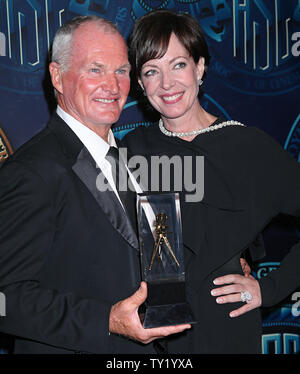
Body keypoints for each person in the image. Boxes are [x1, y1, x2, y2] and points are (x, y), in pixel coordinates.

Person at [0, 15, 192, 354]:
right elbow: (5, 297)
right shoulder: (32, 170)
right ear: (58, 76)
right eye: (95, 70)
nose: (113, 85)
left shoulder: (133, 158)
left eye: (121, 71)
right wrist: (106, 319)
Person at [122, 9, 300, 353]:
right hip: (150, 339)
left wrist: (271, 288)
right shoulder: (133, 149)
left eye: (178, 65)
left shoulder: (249, 147)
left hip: (226, 330)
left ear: (200, 67)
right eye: (151, 71)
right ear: (141, 84)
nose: (167, 84)